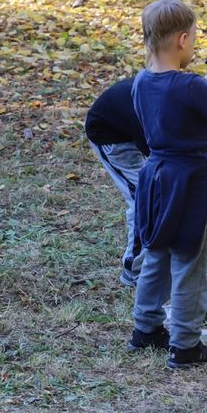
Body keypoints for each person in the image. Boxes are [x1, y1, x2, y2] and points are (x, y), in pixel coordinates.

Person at [127, 0, 207, 369]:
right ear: (181, 40)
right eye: (193, 37)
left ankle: (145, 329)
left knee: (157, 253)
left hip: (155, 178)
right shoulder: (190, 86)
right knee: (191, 260)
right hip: (189, 183)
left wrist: (206, 84)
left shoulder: (141, 82)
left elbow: (174, 103)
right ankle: (185, 345)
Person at [85, 78, 149, 287]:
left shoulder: (171, 89)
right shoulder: (142, 111)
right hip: (111, 139)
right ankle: (134, 269)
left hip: (129, 128)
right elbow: (157, 153)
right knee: (143, 198)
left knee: (157, 191)